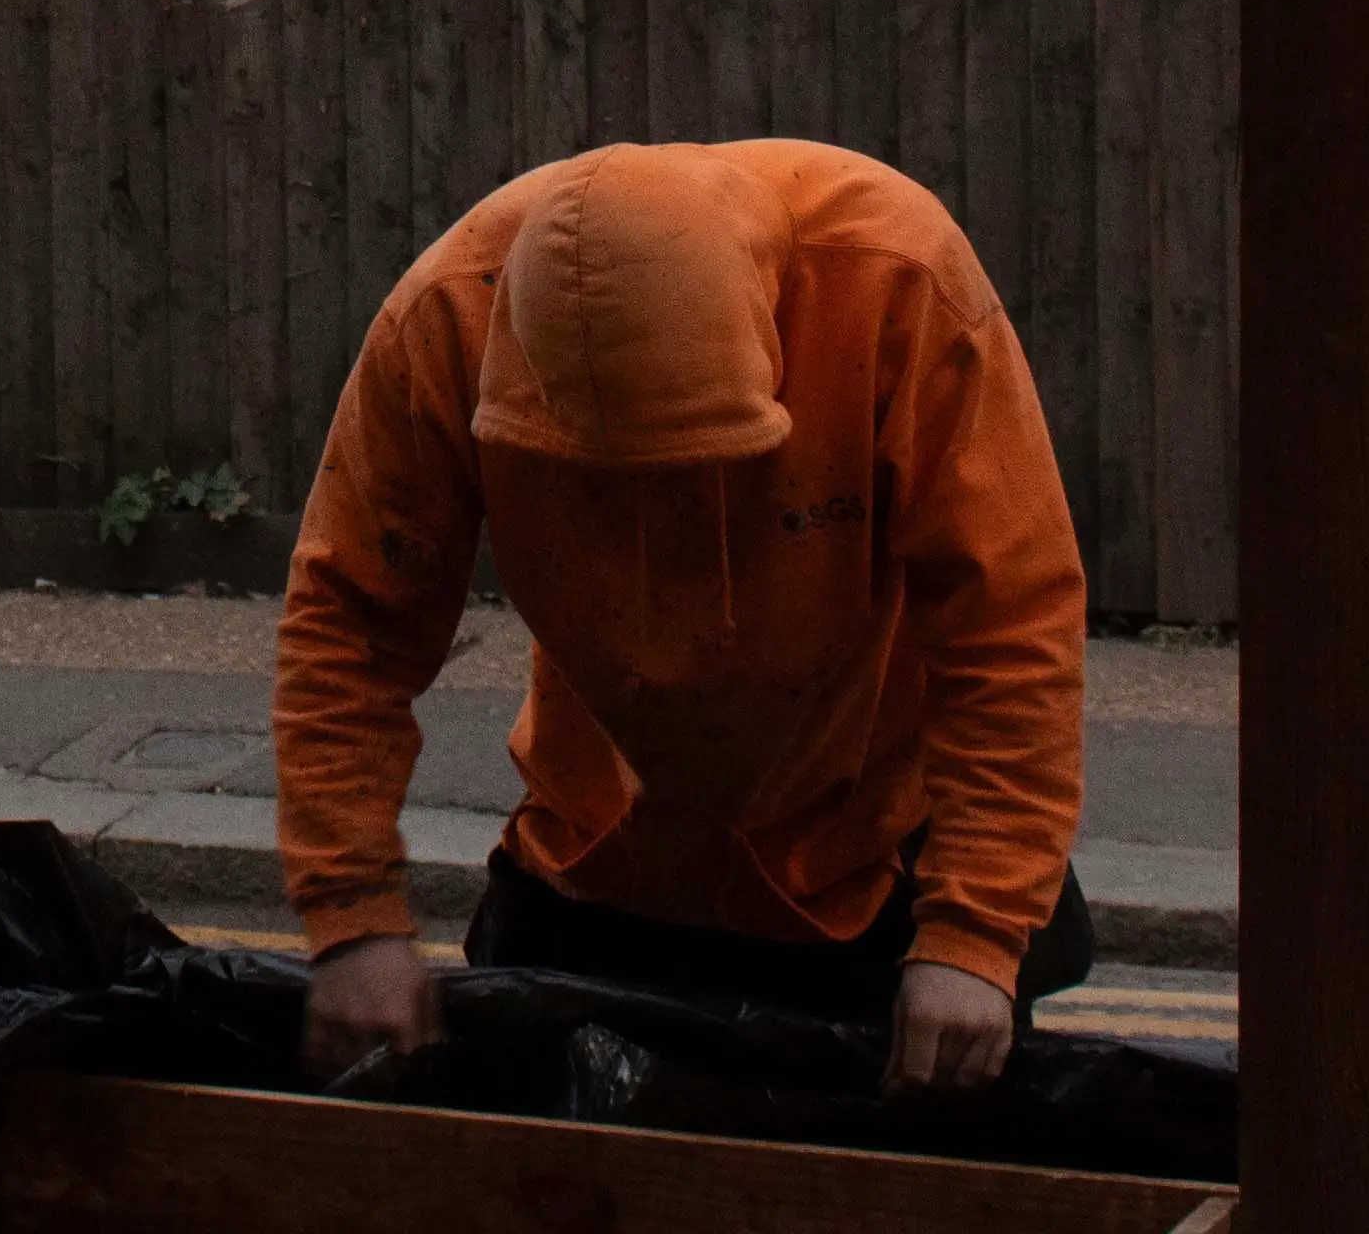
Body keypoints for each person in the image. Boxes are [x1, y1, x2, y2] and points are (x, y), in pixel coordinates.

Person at [275, 138, 1089, 1099]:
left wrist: (974, 934)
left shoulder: (899, 286)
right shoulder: (446, 317)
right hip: (601, 854)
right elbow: (353, 629)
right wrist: (354, 918)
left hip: (866, 853)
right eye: (599, 486)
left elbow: (1009, 624)